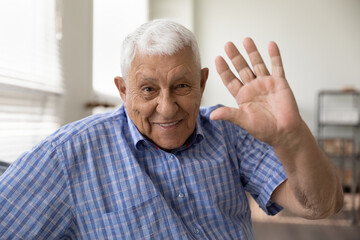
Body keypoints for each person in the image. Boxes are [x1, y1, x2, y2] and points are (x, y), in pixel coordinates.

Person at [0, 19, 343, 239]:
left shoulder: (229, 131)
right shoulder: (66, 154)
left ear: (202, 82)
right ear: (123, 91)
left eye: (181, 86)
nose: (166, 108)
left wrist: (293, 138)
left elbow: (322, 206)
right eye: (148, 89)